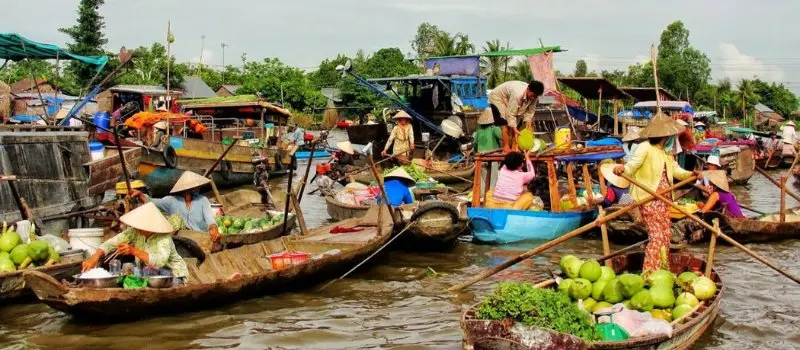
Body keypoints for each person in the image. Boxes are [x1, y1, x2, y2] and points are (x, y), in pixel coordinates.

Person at [614, 113, 697, 272]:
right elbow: (632, 165)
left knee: (665, 236)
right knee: (657, 237)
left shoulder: (666, 152)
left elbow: (676, 171)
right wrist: (622, 169)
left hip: (664, 200)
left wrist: (691, 175)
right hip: (649, 199)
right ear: (665, 135)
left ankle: (662, 269)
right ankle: (649, 272)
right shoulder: (645, 147)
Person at [81, 203, 189, 284]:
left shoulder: (164, 238)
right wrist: (95, 257)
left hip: (172, 274)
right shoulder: (134, 232)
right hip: (148, 272)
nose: (137, 228)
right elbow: (111, 243)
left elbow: (159, 261)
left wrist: (133, 251)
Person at [131, 171, 220, 242]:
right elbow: (153, 202)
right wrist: (141, 195)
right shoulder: (172, 201)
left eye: (198, 187)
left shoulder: (203, 200)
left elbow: (210, 220)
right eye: (194, 187)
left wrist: (213, 228)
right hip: (180, 239)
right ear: (186, 190)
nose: (197, 189)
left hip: (201, 238)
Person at [488, 80, 544, 152]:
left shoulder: (534, 96)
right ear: (528, 89)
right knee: (505, 123)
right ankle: (506, 148)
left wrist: (528, 121)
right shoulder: (517, 94)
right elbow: (511, 114)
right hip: (498, 98)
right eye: (532, 95)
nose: (533, 98)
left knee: (517, 124)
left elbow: (530, 111)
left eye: (535, 97)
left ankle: (514, 147)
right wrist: (514, 128)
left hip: (509, 99)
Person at [474, 108, 503, 196]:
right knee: (493, 179)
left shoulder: (478, 130)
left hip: (481, 158)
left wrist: (475, 153)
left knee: (482, 179)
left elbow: (475, 144)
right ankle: (491, 195)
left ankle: (482, 196)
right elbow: (502, 139)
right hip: (493, 157)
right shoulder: (495, 128)